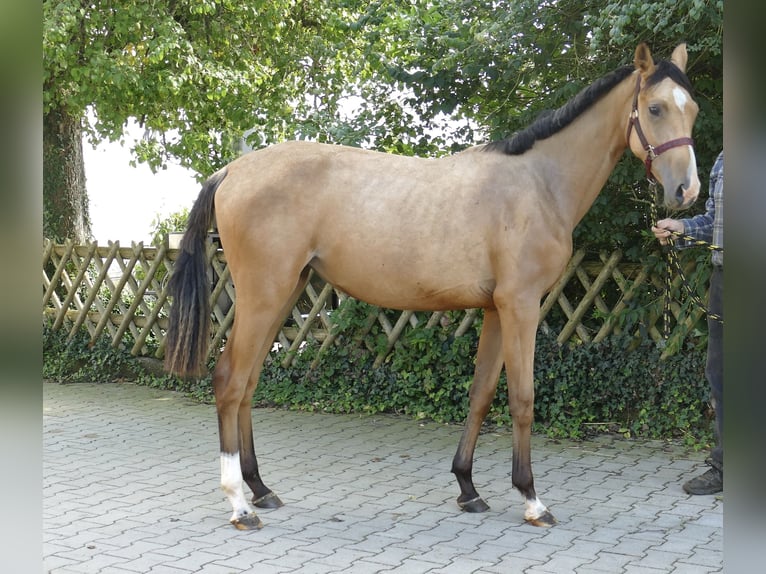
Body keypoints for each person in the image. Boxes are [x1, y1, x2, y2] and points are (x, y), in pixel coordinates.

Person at [652, 150, 723, 495]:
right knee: (723, 375)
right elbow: (714, 222)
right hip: (726, 278)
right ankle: (727, 468)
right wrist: (680, 227)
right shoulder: (726, 158)